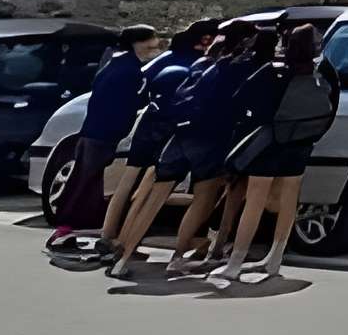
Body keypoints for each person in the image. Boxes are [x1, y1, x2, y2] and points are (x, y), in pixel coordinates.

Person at [218, 22, 339, 282]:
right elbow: (333, 106)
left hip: (271, 140)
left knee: (256, 200)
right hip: (302, 142)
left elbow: (240, 100)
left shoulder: (275, 70)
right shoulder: (325, 71)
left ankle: (236, 262)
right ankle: (275, 258)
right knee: (289, 200)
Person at [105, 18, 220, 278]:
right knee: (199, 196)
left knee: (143, 190)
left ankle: (118, 245)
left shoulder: (169, 63)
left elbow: (141, 94)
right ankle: (186, 252)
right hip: (188, 136)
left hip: (159, 130)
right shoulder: (205, 67)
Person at [47, 24, 160, 258]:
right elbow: (128, 105)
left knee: (83, 182)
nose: (155, 45)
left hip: (93, 131)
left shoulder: (114, 65)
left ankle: (68, 230)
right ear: (139, 42)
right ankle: (69, 230)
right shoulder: (130, 71)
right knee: (89, 184)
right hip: (106, 135)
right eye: (151, 40)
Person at [160, 23, 263, 275]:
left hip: (191, 133)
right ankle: (185, 254)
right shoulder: (240, 67)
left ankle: (186, 252)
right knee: (207, 199)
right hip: (217, 138)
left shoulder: (208, 62)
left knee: (202, 199)